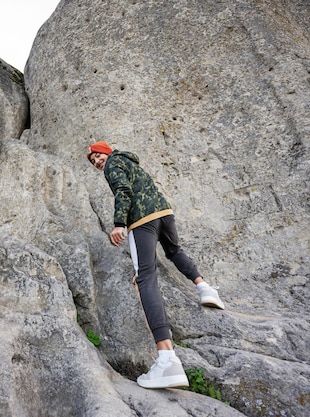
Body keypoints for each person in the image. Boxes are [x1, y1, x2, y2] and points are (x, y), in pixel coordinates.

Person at [86, 141, 225, 389]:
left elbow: (122, 190)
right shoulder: (130, 161)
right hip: (164, 214)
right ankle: (205, 288)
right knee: (173, 251)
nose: (97, 162)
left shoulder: (113, 165)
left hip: (142, 221)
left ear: (107, 153)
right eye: (93, 161)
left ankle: (167, 360)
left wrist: (119, 223)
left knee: (145, 279)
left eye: (98, 156)